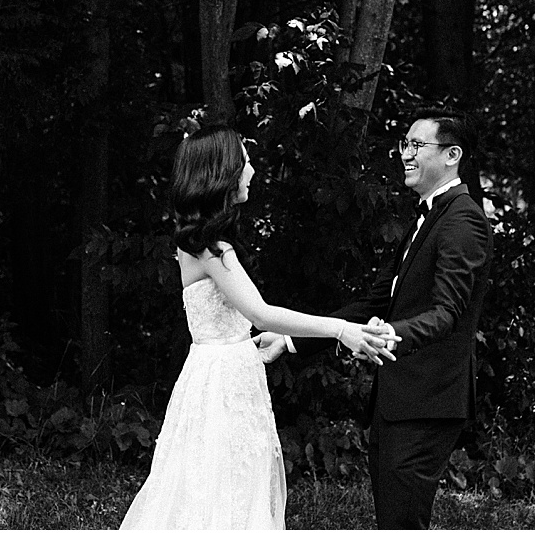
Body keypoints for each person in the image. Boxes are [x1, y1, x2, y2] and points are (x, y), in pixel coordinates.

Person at [120, 124, 396, 530]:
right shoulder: (212, 247)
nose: (252, 170)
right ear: (224, 173)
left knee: (222, 484)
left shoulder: (202, 241)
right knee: (220, 489)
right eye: (246, 162)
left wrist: (251, 341)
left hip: (223, 368)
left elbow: (237, 320)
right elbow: (261, 313)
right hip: (222, 382)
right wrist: (341, 329)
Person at [258, 108, 493, 530]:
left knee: (402, 523)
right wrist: (291, 339)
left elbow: (447, 313)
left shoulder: (463, 220)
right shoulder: (424, 218)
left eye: (417, 145)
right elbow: (375, 301)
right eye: (405, 143)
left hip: (429, 400)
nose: (406, 153)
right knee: (392, 520)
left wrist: (392, 334)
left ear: (452, 154)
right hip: (399, 399)